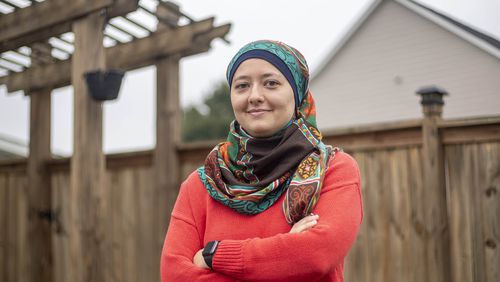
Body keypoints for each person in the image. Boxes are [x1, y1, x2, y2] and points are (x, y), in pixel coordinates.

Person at [161, 40, 363, 282]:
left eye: (271, 83)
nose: (255, 96)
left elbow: (316, 256)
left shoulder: (333, 169)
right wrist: (285, 256)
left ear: (298, 95)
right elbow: (174, 275)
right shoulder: (201, 185)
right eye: (242, 86)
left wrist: (214, 256)